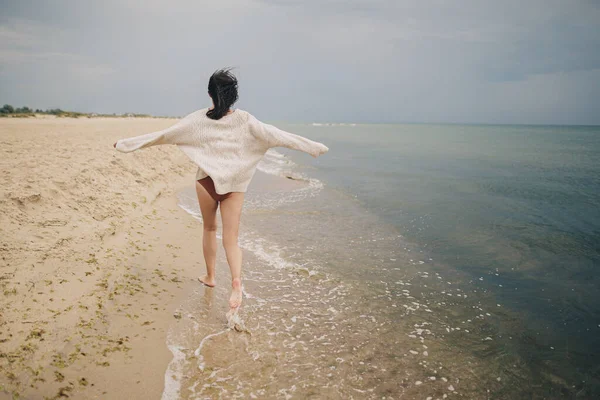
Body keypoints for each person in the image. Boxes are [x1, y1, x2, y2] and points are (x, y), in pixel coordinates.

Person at [114, 68, 329, 311]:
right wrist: (314, 147)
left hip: (206, 183)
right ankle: (236, 283)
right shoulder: (246, 119)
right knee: (231, 239)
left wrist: (125, 145)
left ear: (209, 93)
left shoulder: (197, 119)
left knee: (208, 228)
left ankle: (210, 277)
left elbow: (164, 135)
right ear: (234, 96)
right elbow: (277, 136)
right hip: (234, 187)